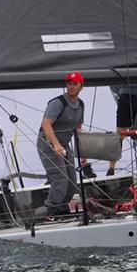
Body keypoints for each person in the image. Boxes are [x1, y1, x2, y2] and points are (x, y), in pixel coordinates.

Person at [37, 71, 86, 219]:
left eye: (74, 84)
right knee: (60, 178)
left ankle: (61, 209)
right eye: (69, 84)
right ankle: (50, 211)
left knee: (72, 182)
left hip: (64, 145)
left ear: (81, 86)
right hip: (48, 144)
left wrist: (82, 154)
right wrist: (56, 145)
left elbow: (78, 129)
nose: (71, 87)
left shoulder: (81, 104)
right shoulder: (57, 103)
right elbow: (46, 124)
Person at [108, 83, 137, 176]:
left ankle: (111, 169)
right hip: (125, 96)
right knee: (119, 135)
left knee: (119, 135)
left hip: (125, 95)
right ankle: (111, 169)